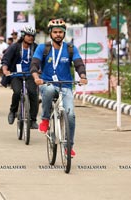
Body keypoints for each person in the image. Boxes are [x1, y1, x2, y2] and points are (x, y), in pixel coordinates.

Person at [30, 19, 88, 157]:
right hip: (47, 83)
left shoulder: (70, 48)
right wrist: (36, 78)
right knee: (49, 90)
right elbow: (35, 63)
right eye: (55, 32)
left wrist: (83, 76)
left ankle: (69, 146)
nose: (58, 35)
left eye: (60, 32)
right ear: (50, 33)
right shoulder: (43, 48)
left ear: (64, 34)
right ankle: (44, 119)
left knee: (71, 116)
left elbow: (79, 63)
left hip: (65, 85)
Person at [2, 25, 39, 129]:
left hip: (31, 75)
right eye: (28, 35)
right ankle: (13, 111)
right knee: (17, 92)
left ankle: (33, 120)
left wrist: (40, 70)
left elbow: (41, 60)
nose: (31, 37)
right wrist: (5, 70)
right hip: (16, 75)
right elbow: (6, 59)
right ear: (23, 36)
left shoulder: (36, 47)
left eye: (32, 36)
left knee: (33, 94)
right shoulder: (15, 47)